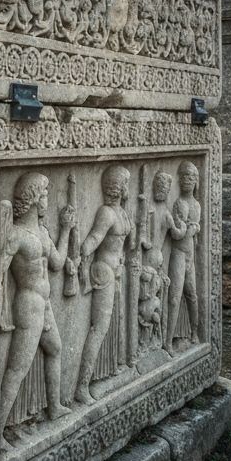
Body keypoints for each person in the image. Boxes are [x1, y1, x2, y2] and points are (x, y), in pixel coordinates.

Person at [0, 172, 73, 447]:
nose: (46, 200)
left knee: (55, 348)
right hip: (29, 304)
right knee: (17, 368)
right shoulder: (16, 235)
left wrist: (66, 230)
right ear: (31, 199)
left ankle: (54, 407)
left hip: (46, 303)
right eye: (43, 195)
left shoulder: (42, 232)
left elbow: (57, 262)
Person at [75, 165, 134, 404]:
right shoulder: (107, 213)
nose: (128, 187)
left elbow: (127, 243)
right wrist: (81, 250)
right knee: (99, 327)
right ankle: (81, 386)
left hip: (117, 270)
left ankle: (109, 368)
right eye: (126, 183)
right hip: (104, 272)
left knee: (114, 322)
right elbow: (93, 240)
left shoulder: (122, 212)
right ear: (118, 187)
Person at [165, 160, 201, 352]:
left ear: (196, 181)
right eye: (184, 176)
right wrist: (189, 228)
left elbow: (193, 231)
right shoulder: (179, 203)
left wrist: (193, 228)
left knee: (192, 295)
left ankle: (195, 333)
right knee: (174, 296)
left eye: (191, 176)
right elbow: (177, 234)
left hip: (190, 257)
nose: (187, 180)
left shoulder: (196, 205)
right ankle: (168, 341)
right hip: (178, 254)